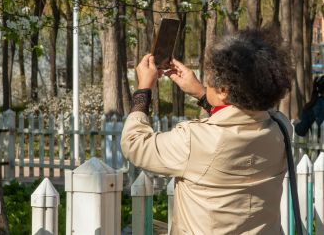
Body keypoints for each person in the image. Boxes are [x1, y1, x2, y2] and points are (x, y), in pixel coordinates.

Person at [121, 28, 292, 235]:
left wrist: (144, 88)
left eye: (210, 78)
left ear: (223, 90)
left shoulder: (194, 139)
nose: (207, 82)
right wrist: (202, 93)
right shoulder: (281, 129)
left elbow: (135, 143)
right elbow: (239, 120)